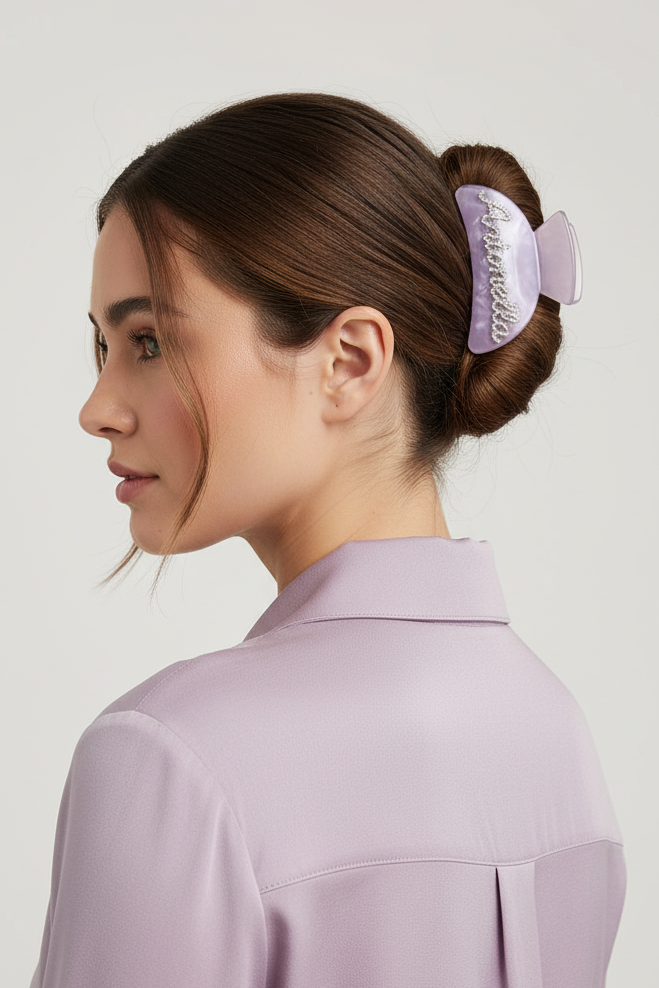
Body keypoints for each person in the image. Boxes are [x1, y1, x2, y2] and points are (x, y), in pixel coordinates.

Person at [29, 92, 625, 988]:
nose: (97, 408)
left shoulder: (171, 759)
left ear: (348, 361)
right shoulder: (557, 737)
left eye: (147, 341)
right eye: (101, 347)